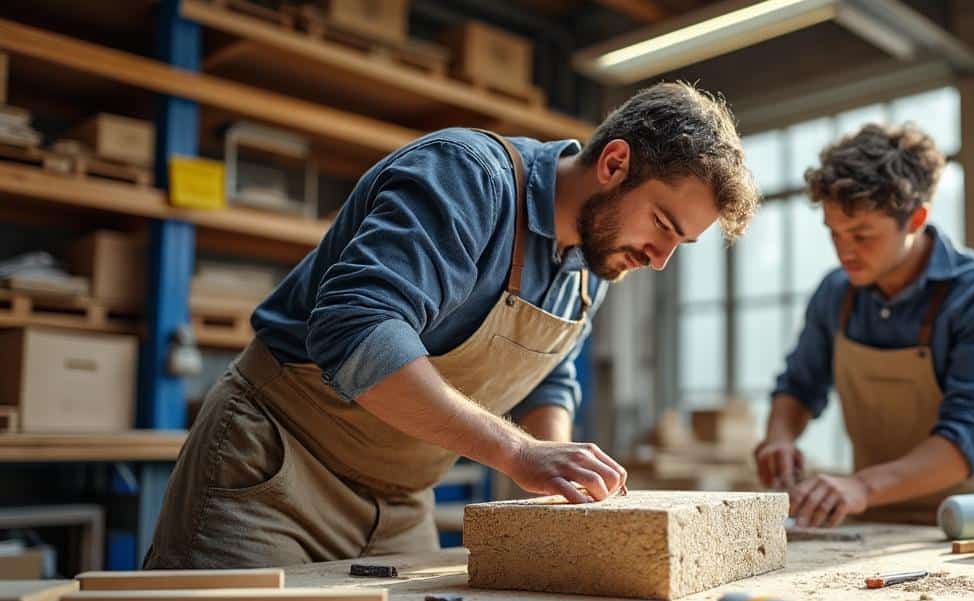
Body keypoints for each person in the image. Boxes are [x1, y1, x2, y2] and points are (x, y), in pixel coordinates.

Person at [146, 82, 758, 567]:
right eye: (662, 225)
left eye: (681, 244)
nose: (659, 258)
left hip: (400, 499)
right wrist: (518, 452)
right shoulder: (471, 179)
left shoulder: (593, 263)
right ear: (615, 163)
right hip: (278, 471)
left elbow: (549, 377)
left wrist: (559, 476)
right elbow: (357, 327)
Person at [754, 123, 974, 528]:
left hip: (972, 524)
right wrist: (779, 437)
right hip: (870, 517)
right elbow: (799, 386)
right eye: (834, 233)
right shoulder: (835, 293)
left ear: (916, 218)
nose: (845, 252)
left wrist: (861, 486)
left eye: (862, 235)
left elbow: (973, 431)